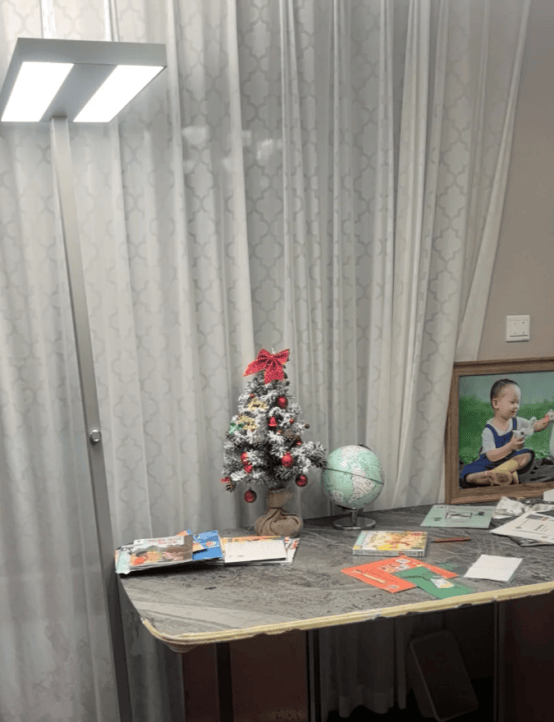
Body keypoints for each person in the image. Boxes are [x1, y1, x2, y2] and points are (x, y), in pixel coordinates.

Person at [460, 378, 553, 488]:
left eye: (518, 402)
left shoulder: (517, 421)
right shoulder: (489, 430)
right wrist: (510, 446)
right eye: (512, 402)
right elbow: (491, 457)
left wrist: (547, 419)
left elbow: (534, 426)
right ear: (496, 403)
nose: (516, 406)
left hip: (509, 462)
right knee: (468, 472)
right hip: (489, 464)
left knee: (527, 455)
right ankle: (494, 476)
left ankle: (496, 475)